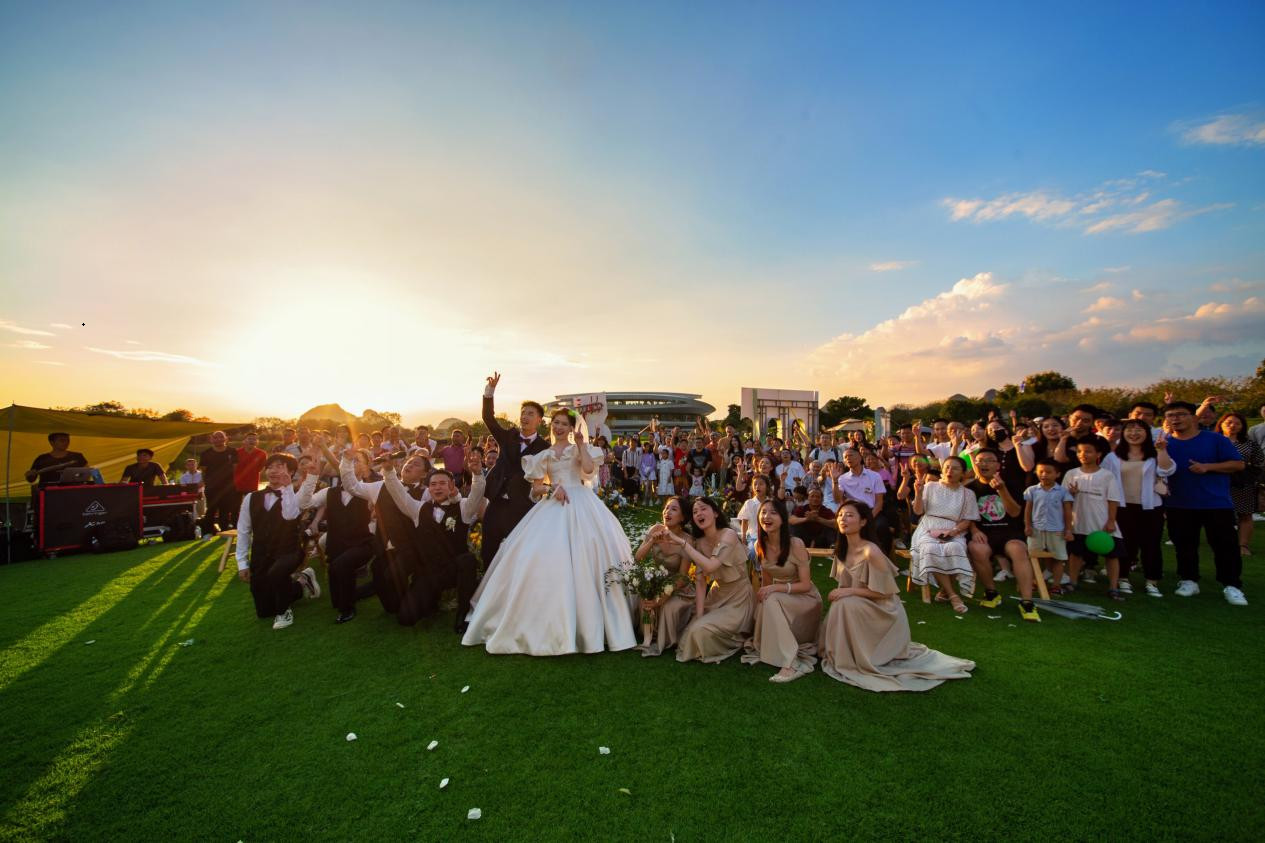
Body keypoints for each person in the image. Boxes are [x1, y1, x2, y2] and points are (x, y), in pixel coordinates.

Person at [463, 408, 635, 655]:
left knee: (589, 553)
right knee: (539, 556)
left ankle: (591, 621)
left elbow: (588, 471)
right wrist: (551, 488)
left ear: (572, 427)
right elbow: (535, 489)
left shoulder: (579, 449)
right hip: (553, 504)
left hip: (581, 503)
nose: (559, 427)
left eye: (564, 423)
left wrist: (581, 445)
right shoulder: (543, 455)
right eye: (556, 422)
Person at [818, 500, 975, 692]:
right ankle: (842, 651)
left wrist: (848, 591)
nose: (843, 519)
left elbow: (885, 592)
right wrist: (846, 593)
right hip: (859, 605)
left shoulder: (871, 551)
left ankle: (857, 655)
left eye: (850, 515)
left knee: (844, 603)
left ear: (863, 522)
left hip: (883, 610)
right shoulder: (842, 550)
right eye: (840, 515)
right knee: (842, 603)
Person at [1161, 401, 1247, 605]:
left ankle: (1231, 585)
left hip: (1215, 503)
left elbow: (1238, 464)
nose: (1175, 419)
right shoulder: (1164, 443)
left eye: (1181, 414)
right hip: (1178, 503)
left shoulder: (1215, 439)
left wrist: (1208, 467)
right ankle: (1189, 580)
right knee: (1184, 545)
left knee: (1225, 546)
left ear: (1194, 417)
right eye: (1170, 415)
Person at [381, 464, 482, 632]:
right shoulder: (419, 508)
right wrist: (389, 472)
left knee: (468, 560)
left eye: (442, 483)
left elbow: (477, 496)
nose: (437, 487)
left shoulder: (463, 507)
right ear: (429, 488)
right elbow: (398, 494)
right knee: (406, 618)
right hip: (429, 572)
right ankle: (431, 601)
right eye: (433, 484)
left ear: (451, 486)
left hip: (454, 569)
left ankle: (463, 613)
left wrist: (477, 475)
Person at [235, 453, 320, 630]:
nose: (273, 471)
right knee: (265, 611)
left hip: (289, 551)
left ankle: (284, 612)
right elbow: (243, 530)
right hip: (261, 554)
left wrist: (289, 487)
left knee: (277, 573)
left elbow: (290, 515)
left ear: (291, 471)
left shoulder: (295, 495)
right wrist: (242, 563)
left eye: (279, 466)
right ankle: (302, 582)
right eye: (270, 467)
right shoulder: (251, 498)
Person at [741, 498, 822, 682]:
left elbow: (806, 585)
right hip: (781, 596)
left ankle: (791, 663)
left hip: (805, 598)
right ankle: (772, 647)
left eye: (773, 512)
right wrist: (761, 602)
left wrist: (775, 588)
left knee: (771, 598)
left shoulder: (796, 544)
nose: (766, 517)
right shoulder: (759, 545)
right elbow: (767, 581)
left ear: (783, 519)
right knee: (766, 601)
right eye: (763, 512)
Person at [478, 373, 551, 574]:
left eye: (530, 413)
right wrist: (489, 391)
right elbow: (488, 418)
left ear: (539, 420)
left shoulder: (545, 447)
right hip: (496, 501)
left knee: (518, 552)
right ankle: (487, 586)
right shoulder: (507, 436)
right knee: (488, 551)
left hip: (521, 505)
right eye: (523, 413)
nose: (525, 417)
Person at [669, 498, 754, 664]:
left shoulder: (728, 535)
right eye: (695, 512)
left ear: (715, 513)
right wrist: (699, 614)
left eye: (703, 509)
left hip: (739, 599)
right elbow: (700, 581)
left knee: (699, 631)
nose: (699, 513)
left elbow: (711, 566)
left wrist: (684, 544)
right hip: (716, 595)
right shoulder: (700, 543)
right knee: (689, 633)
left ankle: (737, 637)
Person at [297, 447, 376, 623]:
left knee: (341, 566)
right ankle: (368, 590)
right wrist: (311, 477)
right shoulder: (329, 492)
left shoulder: (370, 490)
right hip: (337, 546)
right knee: (337, 597)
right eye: (349, 460)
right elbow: (304, 504)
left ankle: (348, 610)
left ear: (366, 467)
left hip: (362, 544)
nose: (351, 464)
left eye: (357, 461)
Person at [965, 448, 1039, 621]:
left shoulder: (1011, 484)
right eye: (979, 460)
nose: (983, 464)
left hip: (1009, 532)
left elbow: (1014, 512)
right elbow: (967, 515)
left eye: (989, 460)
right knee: (977, 549)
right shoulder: (969, 489)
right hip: (984, 533)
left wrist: (1002, 490)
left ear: (997, 465)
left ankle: (1027, 602)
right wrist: (974, 530)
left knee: (1018, 550)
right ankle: (991, 592)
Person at [909, 456, 978, 614]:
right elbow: (918, 511)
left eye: (955, 468)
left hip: (954, 529)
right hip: (928, 528)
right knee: (930, 549)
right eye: (947, 467)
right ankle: (953, 595)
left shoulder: (968, 494)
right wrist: (918, 493)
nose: (949, 471)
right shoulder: (930, 486)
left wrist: (953, 531)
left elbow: (968, 519)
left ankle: (945, 591)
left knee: (954, 548)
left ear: (963, 473)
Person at [1114, 420, 1175, 596]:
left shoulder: (1154, 454)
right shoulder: (1114, 456)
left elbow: (1167, 470)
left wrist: (1162, 450)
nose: (1134, 433)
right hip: (1123, 507)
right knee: (1126, 544)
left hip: (1151, 506)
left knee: (1151, 544)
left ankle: (1152, 580)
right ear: (1123, 433)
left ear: (1147, 433)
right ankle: (1123, 578)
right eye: (1129, 430)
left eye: (1139, 430)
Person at [1063, 438, 1126, 599]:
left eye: (1088, 451)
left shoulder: (1107, 475)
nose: (1083, 455)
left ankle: (1113, 587)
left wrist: (1111, 520)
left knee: (1111, 554)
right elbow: (1064, 499)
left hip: (1102, 522)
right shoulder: (1071, 474)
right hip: (1080, 521)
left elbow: (1113, 499)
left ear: (1098, 454)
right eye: (1079, 451)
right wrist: (1071, 494)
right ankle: (1072, 582)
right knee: (1076, 553)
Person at [635, 496, 698, 657]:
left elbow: (682, 577)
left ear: (683, 517)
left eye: (673, 509)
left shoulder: (687, 540)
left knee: (669, 607)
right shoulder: (655, 529)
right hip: (658, 580)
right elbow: (638, 557)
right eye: (666, 508)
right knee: (644, 599)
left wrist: (662, 599)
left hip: (678, 587)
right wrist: (651, 541)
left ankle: (666, 638)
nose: (667, 512)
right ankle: (648, 635)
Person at [1023, 458, 1074, 595]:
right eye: (1041, 472)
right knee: (1033, 556)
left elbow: (1067, 512)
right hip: (1036, 530)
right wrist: (1028, 526)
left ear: (1057, 474)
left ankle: (1056, 585)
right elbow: (1028, 510)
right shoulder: (1032, 490)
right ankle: (1033, 581)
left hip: (1056, 530)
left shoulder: (1063, 491)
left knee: (1058, 558)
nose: (1044, 475)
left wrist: (1068, 530)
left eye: (1048, 472)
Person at [1217, 412, 1263, 558]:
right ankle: (1223, 543)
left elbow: (1259, 462)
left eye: (1237, 423)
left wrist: (1250, 475)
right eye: (1229, 423)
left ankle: (1243, 545)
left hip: (1242, 484)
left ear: (1242, 426)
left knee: (1245, 514)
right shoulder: (1213, 441)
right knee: (1219, 515)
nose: (1233, 426)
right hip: (1217, 483)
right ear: (1221, 424)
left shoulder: (1249, 444)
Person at [198, 431, 238, 535]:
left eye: (221, 437)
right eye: (215, 437)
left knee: (225, 510)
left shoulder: (232, 451)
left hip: (228, 487)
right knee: (211, 509)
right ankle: (207, 533)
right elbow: (203, 470)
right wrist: (203, 482)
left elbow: (235, 468)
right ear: (211, 439)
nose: (218, 439)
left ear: (226, 438)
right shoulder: (206, 453)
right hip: (211, 487)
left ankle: (224, 532)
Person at [24, 432, 88, 489]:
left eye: (68, 440)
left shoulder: (77, 456)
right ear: (52, 443)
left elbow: (87, 473)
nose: (66, 443)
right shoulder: (41, 459)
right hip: (48, 494)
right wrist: (29, 475)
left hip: (73, 492)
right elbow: (31, 479)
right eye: (62, 440)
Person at [232, 431, 267, 524]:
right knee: (235, 507)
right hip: (237, 484)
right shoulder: (236, 452)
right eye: (249, 439)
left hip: (252, 484)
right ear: (244, 441)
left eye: (254, 439)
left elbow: (261, 468)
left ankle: (251, 525)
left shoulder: (262, 454)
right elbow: (232, 467)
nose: (252, 441)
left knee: (251, 506)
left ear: (257, 442)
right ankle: (235, 525)